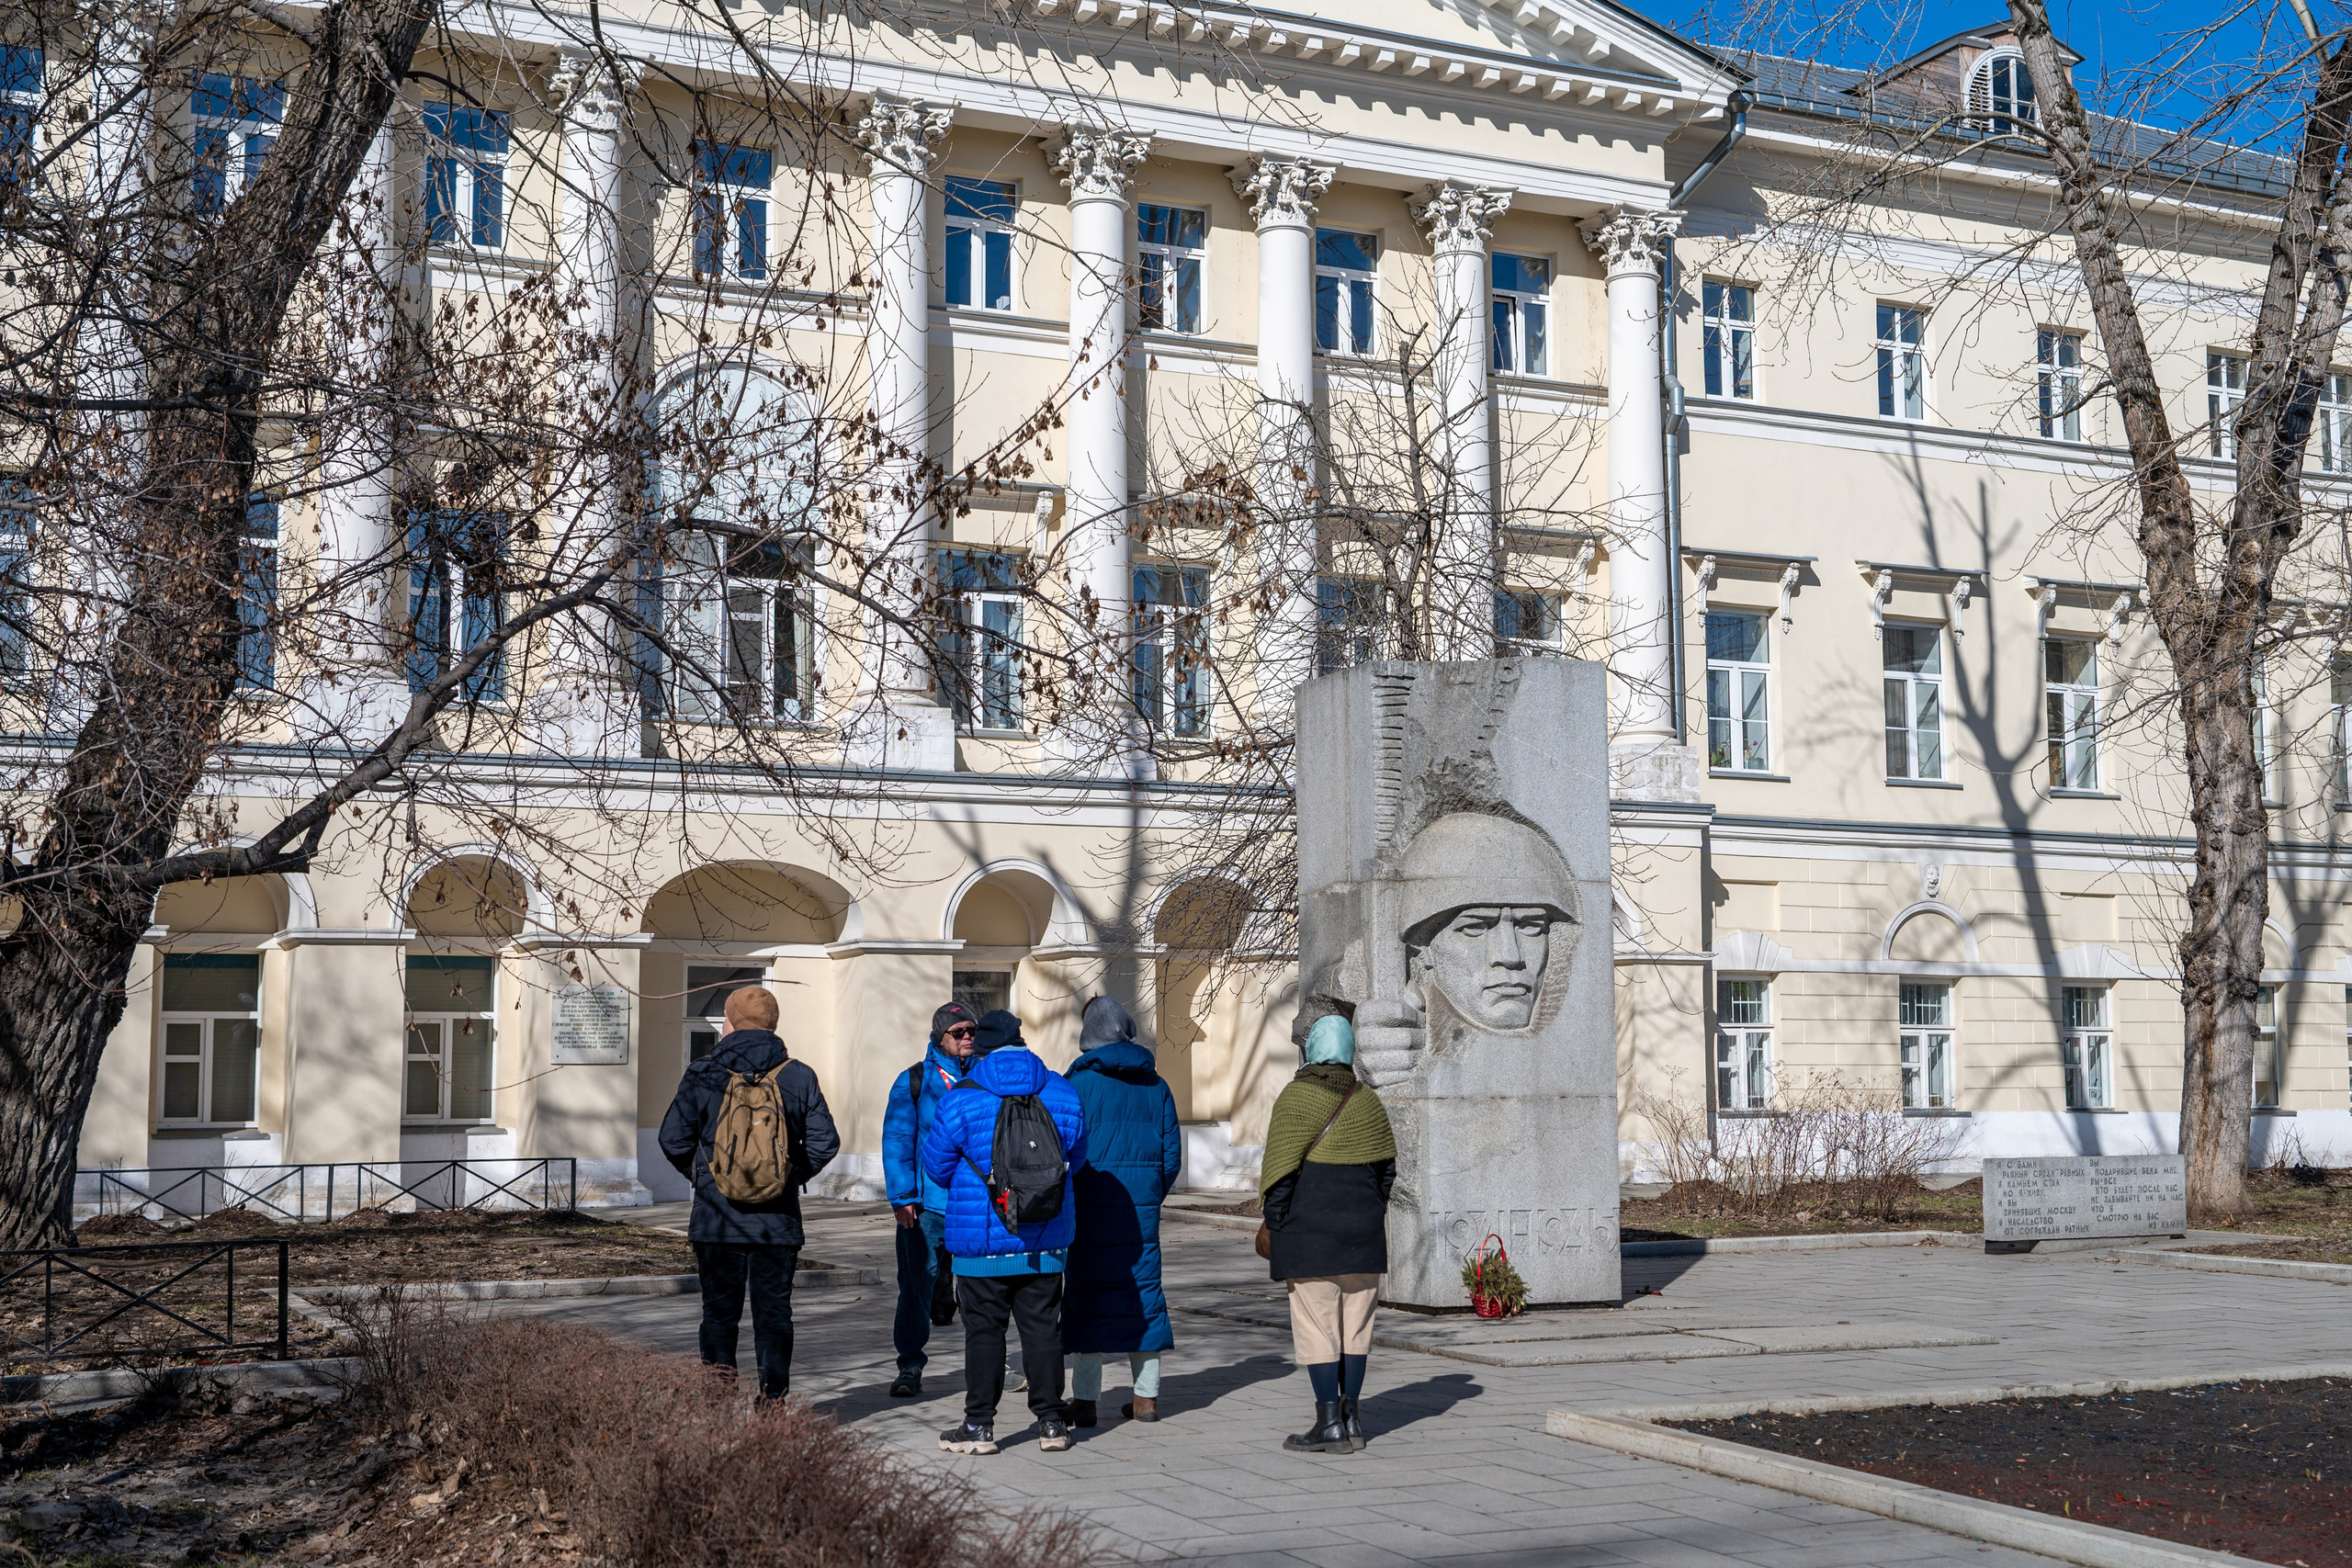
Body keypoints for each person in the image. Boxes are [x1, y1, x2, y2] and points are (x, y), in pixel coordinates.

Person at [658, 984, 839, 1401]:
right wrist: (787, 1177)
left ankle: (718, 1401)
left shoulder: (703, 1072)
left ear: (733, 1022)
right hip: (777, 1223)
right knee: (774, 1315)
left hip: (716, 1220)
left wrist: (706, 1176)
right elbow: (825, 1142)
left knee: (719, 1315)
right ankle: (772, 1405)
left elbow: (672, 1138)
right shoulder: (797, 1074)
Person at [921, 1009, 1087, 1456]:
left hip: (981, 1243)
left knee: (985, 1334)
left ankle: (979, 1427)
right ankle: (1052, 1424)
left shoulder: (961, 1098)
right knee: (1042, 1330)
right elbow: (1080, 1158)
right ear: (1021, 1040)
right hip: (1046, 1238)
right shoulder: (1062, 1092)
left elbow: (935, 1169)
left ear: (984, 1047)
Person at [1260, 1014, 1395, 1455]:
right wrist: (1369, 1211)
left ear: (1311, 1049)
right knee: (1357, 1329)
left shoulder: (1296, 1099)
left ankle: (1329, 1424)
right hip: (1363, 1237)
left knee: (1319, 1328)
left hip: (1310, 1235)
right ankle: (1354, 1417)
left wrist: (1277, 1224)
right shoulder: (1369, 1102)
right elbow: (1387, 1173)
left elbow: (1279, 1175)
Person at [1059, 997, 1182, 1427]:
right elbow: (1171, 1158)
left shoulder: (1076, 1085)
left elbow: (1064, 1150)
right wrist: (1149, 1194)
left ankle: (1087, 1402)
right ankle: (1145, 1399)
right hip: (1140, 1211)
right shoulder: (1157, 1085)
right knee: (1144, 1298)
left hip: (1088, 1208)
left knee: (1087, 1298)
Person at [881, 999, 980, 1398]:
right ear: (940, 1039)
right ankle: (909, 1365)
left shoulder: (988, 1075)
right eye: (958, 1033)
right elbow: (898, 1138)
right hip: (926, 1207)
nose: (967, 1038)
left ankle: (993, 1362)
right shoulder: (915, 1079)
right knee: (916, 1287)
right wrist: (902, 1194)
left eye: (972, 1031)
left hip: (978, 1204)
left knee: (983, 1290)